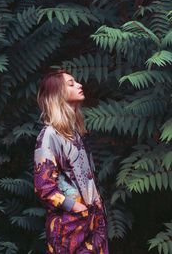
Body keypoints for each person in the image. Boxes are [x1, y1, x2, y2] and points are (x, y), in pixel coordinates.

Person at [34, 69, 109, 254]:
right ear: (57, 94)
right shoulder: (49, 135)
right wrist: (76, 207)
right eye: (71, 83)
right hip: (69, 227)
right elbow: (43, 187)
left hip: (93, 223)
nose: (79, 85)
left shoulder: (75, 132)